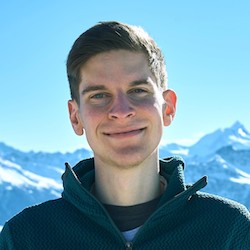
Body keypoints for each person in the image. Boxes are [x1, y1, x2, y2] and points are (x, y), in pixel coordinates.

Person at [0, 21, 249, 250]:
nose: (120, 111)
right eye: (99, 95)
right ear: (75, 117)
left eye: (138, 90)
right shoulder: (26, 237)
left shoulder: (229, 230)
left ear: (168, 108)